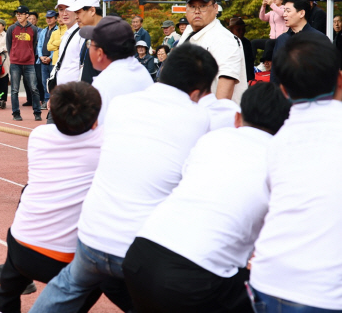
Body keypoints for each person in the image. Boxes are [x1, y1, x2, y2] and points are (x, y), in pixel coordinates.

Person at [30, 44, 217, 313]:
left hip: (92, 234)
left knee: (69, 285)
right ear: (198, 92)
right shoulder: (200, 116)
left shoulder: (122, 104)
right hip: (142, 248)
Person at [123, 83, 290, 313]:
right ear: (285, 126)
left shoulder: (213, 139)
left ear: (238, 118)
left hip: (140, 257)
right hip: (195, 279)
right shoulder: (284, 161)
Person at [249, 33, 342, 312]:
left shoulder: (276, 142)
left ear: (284, 90)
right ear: (340, 78)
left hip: (267, 281)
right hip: (325, 294)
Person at [0, 82, 104, 313]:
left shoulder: (39, 136)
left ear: (50, 109)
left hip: (21, 249)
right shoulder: (105, 142)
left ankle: (5, 303)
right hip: (67, 262)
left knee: (27, 194)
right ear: (96, 120)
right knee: (100, 280)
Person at [177, 0, 248, 104]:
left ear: (215, 8)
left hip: (214, 116)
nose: (197, 11)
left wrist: (216, 116)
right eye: (192, 6)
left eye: (203, 6)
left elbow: (225, 88)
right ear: (186, 10)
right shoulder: (188, 32)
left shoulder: (224, 39)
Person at [82, 16, 154, 126]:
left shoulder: (104, 83)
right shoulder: (139, 69)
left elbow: (97, 130)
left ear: (100, 53)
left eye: (90, 44)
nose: (89, 48)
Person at [271, 0, 326, 84]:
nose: (284, 14)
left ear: (301, 13)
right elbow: (275, 72)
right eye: (284, 11)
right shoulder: (282, 39)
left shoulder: (318, 39)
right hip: (283, 95)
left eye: (288, 11)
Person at [6, 5, 42, 121]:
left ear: (27, 15)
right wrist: (14, 56)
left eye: (21, 13)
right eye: (17, 13)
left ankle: (37, 112)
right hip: (15, 63)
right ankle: (16, 113)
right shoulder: (11, 29)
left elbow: (34, 45)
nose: (18, 15)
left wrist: (29, 55)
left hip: (29, 63)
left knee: (34, 88)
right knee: (14, 89)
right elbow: (9, 45)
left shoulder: (34, 29)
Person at [66, 0, 103, 84]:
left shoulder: (108, 35)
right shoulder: (90, 35)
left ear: (92, 11)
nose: (76, 17)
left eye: (78, 12)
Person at [38, 10, 59, 104]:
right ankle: (46, 101)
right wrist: (40, 56)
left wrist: (50, 57)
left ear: (55, 19)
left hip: (52, 60)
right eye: (47, 18)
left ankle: (53, 100)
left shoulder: (58, 31)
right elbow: (39, 45)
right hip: (42, 60)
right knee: (44, 82)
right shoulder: (43, 31)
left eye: (51, 18)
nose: (48, 19)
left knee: (53, 81)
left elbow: (56, 47)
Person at [228, 17, 255, 82]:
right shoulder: (227, 43)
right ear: (231, 30)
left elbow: (250, 63)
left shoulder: (247, 43)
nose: (241, 32)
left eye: (243, 29)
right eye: (238, 29)